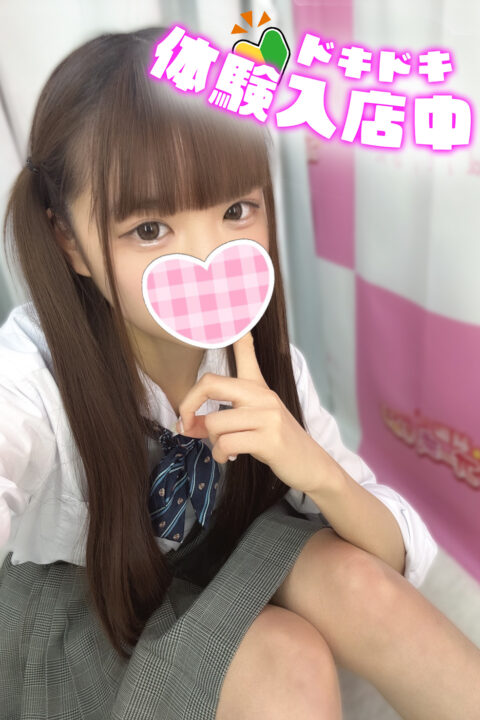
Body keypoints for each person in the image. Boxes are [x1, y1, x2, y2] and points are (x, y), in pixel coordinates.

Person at [0, 25, 478, 720]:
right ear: (68, 241)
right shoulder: (32, 378)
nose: (208, 259)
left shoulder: (262, 365)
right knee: (288, 661)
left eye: (235, 211)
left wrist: (314, 469)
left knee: (357, 581)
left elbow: (392, 555)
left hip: (213, 559)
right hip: (85, 605)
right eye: (149, 230)